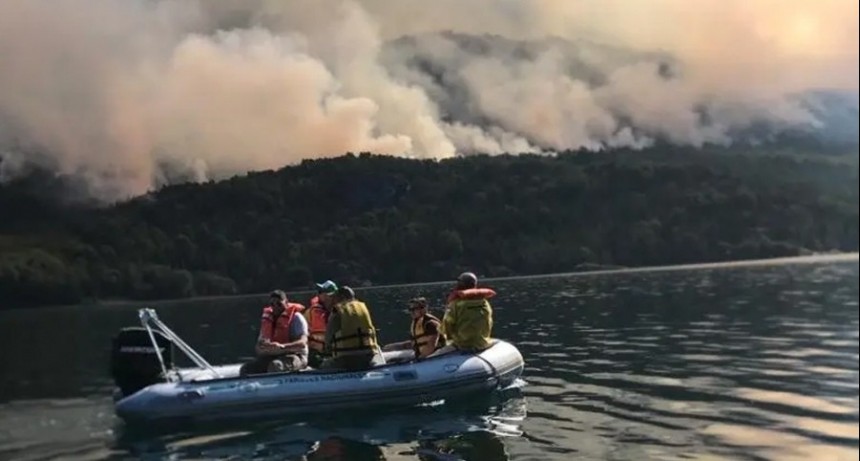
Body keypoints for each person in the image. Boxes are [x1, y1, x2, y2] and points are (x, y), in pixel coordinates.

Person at [239, 290, 309, 375]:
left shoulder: (297, 318)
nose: (275, 307)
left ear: (286, 303)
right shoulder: (267, 320)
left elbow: (302, 343)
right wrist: (265, 347)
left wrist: (282, 347)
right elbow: (258, 348)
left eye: (279, 304)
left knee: (276, 366)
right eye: (272, 304)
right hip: (272, 356)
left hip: (296, 356)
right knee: (247, 369)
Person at [320, 286, 385, 371]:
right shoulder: (363, 308)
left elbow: (328, 338)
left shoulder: (338, 311)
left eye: (335, 297)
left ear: (341, 297)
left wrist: (326, 350)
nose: (334, 300)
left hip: (345, 359)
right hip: (367, 356)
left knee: (322, 365)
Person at [431, 272, 495, 357]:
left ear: (461, 284)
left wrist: (442, 337)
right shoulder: (484, 302)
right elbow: (489, 322)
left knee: (431, 357)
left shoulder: (456, 304)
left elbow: (447, 326)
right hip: (483, 342)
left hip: (462, 345)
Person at [381, 297, 446, 359]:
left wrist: (422, 357)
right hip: (420, 353)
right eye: (410, 309)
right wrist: (395, 346)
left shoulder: (431, 324)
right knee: (389, 349)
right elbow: (416, 342)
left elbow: (432, 344)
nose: (411, 312)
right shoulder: (417, 322)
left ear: (423, 309)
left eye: (414, 309)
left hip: (435, 354)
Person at [304, 280, 338, 367]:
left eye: (321, 292)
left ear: (329, 296)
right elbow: (322, 335)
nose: (318, 294)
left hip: (332, 351)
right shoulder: (315, 312)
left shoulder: (336, 310)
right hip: (315, 352)